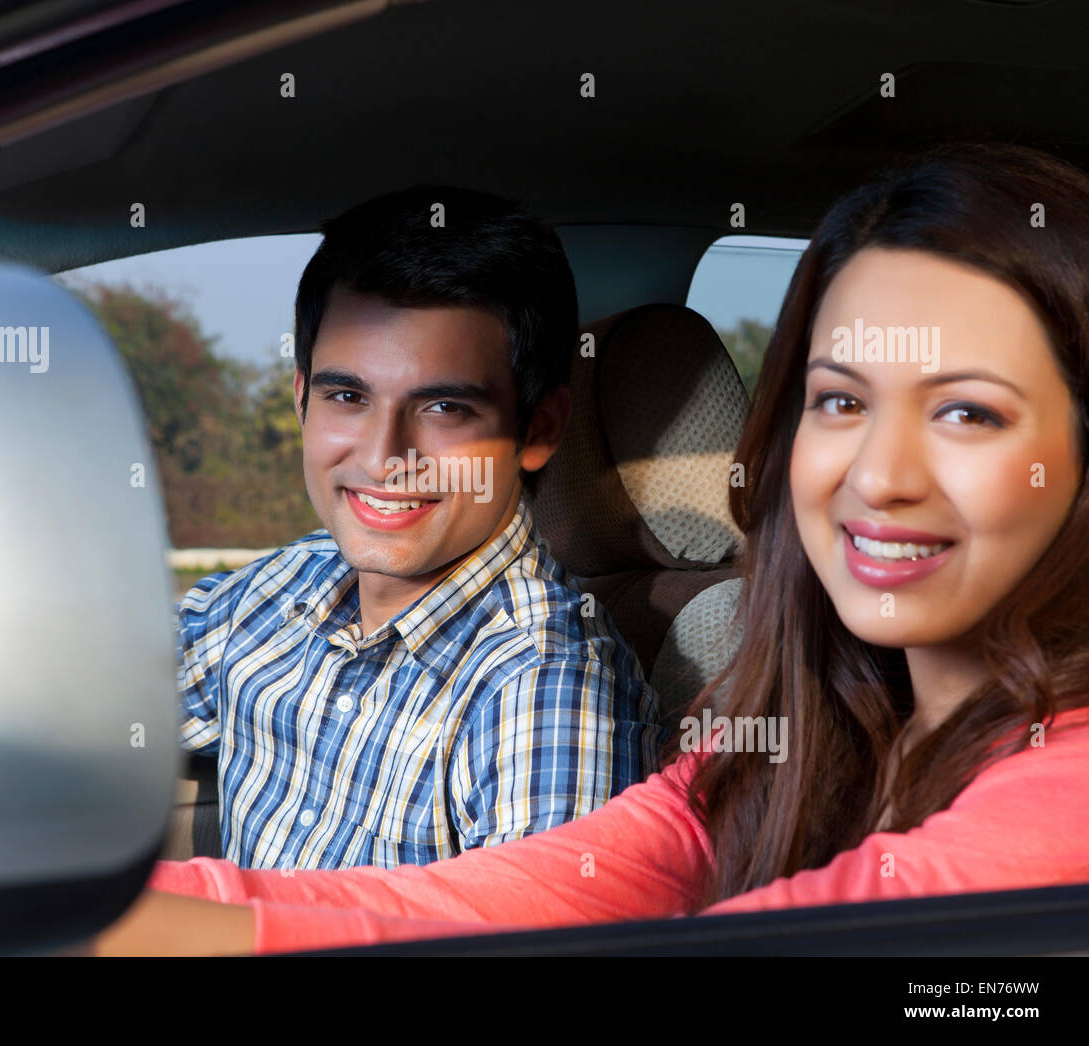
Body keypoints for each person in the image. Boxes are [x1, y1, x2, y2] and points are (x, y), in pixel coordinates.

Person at [98, 142, 1089, 954]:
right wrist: (92, 906)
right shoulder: (796, 723)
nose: (878, 475)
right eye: (839, 400)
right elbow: (487, 905)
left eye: (966, 411)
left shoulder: (1067, 781)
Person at [174, 185, 660, 872]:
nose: (382, 458)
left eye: (443, 408)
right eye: (347, 396)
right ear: (301, 399)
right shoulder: (294, 581)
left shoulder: (543, 687)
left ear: (538, 430)